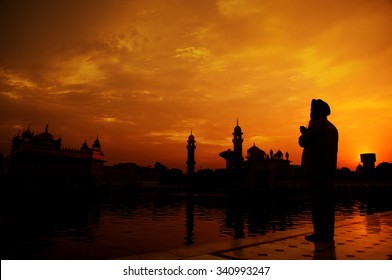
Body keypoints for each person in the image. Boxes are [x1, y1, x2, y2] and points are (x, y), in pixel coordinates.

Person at [299, 99, 338, 242]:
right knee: (328, 204)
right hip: (328, 171)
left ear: (317, 111)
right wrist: (308, 132)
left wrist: (305, 133)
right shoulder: (332, 127)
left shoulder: (317, 125)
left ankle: (320, 234)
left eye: (312, 110)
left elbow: (303, 142)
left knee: (317, 204)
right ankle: (328, 233)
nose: (310, 113)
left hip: (316, 171)